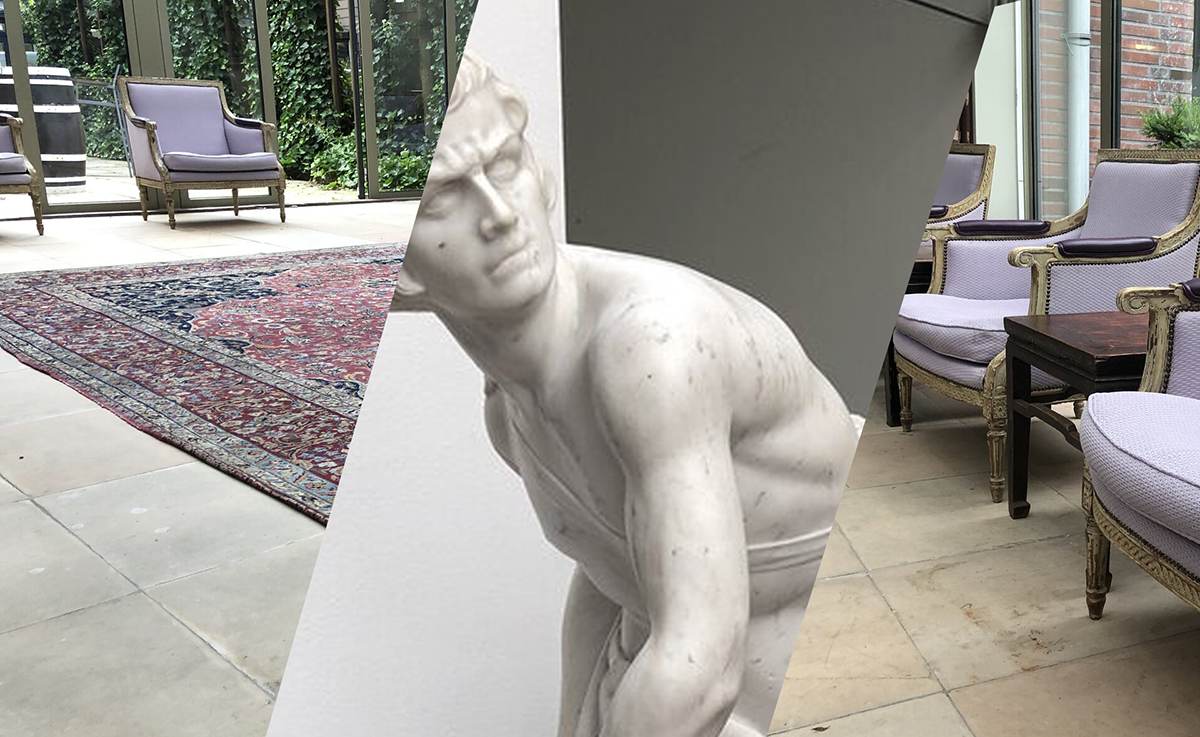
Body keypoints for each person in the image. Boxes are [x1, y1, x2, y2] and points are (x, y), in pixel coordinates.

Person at [391, 53, 859, 737]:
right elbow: (613, 574)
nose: (499, 214)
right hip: (687, 651)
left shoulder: (650, 347)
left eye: (505, 163)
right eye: (442, 199)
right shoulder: (507, 415)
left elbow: (700, 667)